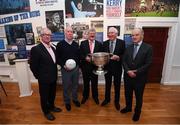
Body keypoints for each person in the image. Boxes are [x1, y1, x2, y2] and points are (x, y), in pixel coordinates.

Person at [121, 28, 153, 121]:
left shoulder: (148, 48)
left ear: (142, 35)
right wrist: (127, 71)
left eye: (136, 35)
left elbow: (148, 63)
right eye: (132, 35)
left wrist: (136, 72)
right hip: (128, 77)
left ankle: (137, 112)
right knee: (128, 94)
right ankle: (128, 107)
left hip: (140, 78)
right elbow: (124, 61)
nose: (134, 37)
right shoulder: (128, 47)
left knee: (138, 96)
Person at [30, 28, 62, 121]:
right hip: (43, 79)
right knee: (44, 96)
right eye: (45, 34)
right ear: (41, 36)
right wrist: (39, 77)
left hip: (53, 77)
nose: (48, 36)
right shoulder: (36, 49)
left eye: (49, 35)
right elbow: (33, 66)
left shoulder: (52, 47)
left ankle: (52, 107)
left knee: (52, 94)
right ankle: (46, 112)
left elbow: (54, 61)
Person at [56, 26, 80, 111]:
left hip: (75, 69)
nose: (70, 33)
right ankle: (67, 101)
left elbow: (78, 56)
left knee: (75, 85)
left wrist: (77, 65)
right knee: (66, 86)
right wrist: (63, 65)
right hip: (65, 69)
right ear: (65, 33)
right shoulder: (60, 44)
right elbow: (57, 58)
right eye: (68, 31)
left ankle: (75, 99)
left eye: (71, 32)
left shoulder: (76, 44)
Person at [101, 27, 125, 111]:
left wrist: (118, 57)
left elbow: (124, 55)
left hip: (117, 68)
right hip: (107, 68)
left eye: (112, 33)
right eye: (109, 33)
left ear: (116, 34)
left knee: (117, 85)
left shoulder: (122, 43)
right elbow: (102, 55)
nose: (110, 34)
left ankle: (116, 101)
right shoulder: (104, 43)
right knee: (107, 85)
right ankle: (107, 99)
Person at [80, 28, 102, 105]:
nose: (92, 34)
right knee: (86, 83)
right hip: (85, 67)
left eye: (93, 33)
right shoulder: (83, 43)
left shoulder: (99, 44)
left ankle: (95, 97)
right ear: (88, 34)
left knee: (94, 83)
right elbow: (80, 54)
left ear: (95, 35)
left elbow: (100, 56)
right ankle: (85, 96)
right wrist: (85, 57)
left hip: (95, 67)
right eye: (90, 33)